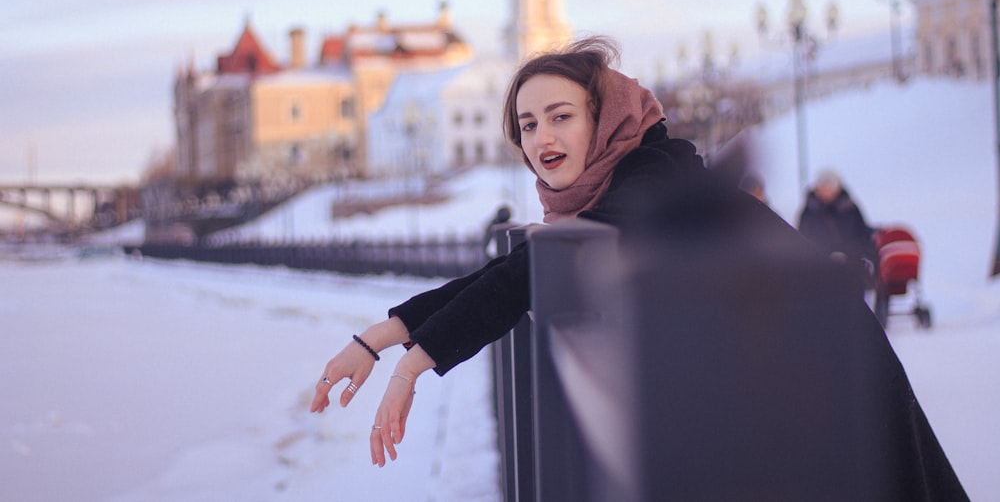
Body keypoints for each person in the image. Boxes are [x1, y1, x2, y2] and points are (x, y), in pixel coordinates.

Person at [309, 37, 967, 499]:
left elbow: (521, 274)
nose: (542, 139)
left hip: (825, 385)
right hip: (791, 385)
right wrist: (383, 334)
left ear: (605, 117)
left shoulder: (648, 180)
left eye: (562, 116)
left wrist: (414, 360)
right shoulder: (618, 193)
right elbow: (521, 266)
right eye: (529, 123)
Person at [797, 169, 878, 281]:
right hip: (819, 269)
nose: (825, 190)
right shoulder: (809, 211)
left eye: (828, 186)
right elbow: (803, 239)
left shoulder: (850, 209)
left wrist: (851, 255)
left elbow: (861, 234)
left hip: (851, 266)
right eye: (822, 186)